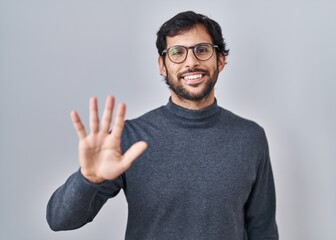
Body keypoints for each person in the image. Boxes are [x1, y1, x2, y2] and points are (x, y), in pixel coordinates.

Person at [46, 11, 279, 240]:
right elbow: (59, 220)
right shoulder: (129, 138)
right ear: (162, 65)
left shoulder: (250, 137)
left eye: (202, 50)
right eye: (177, 52)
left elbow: (263, 229)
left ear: (220, 60)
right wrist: (88, 179)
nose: (191, 62)